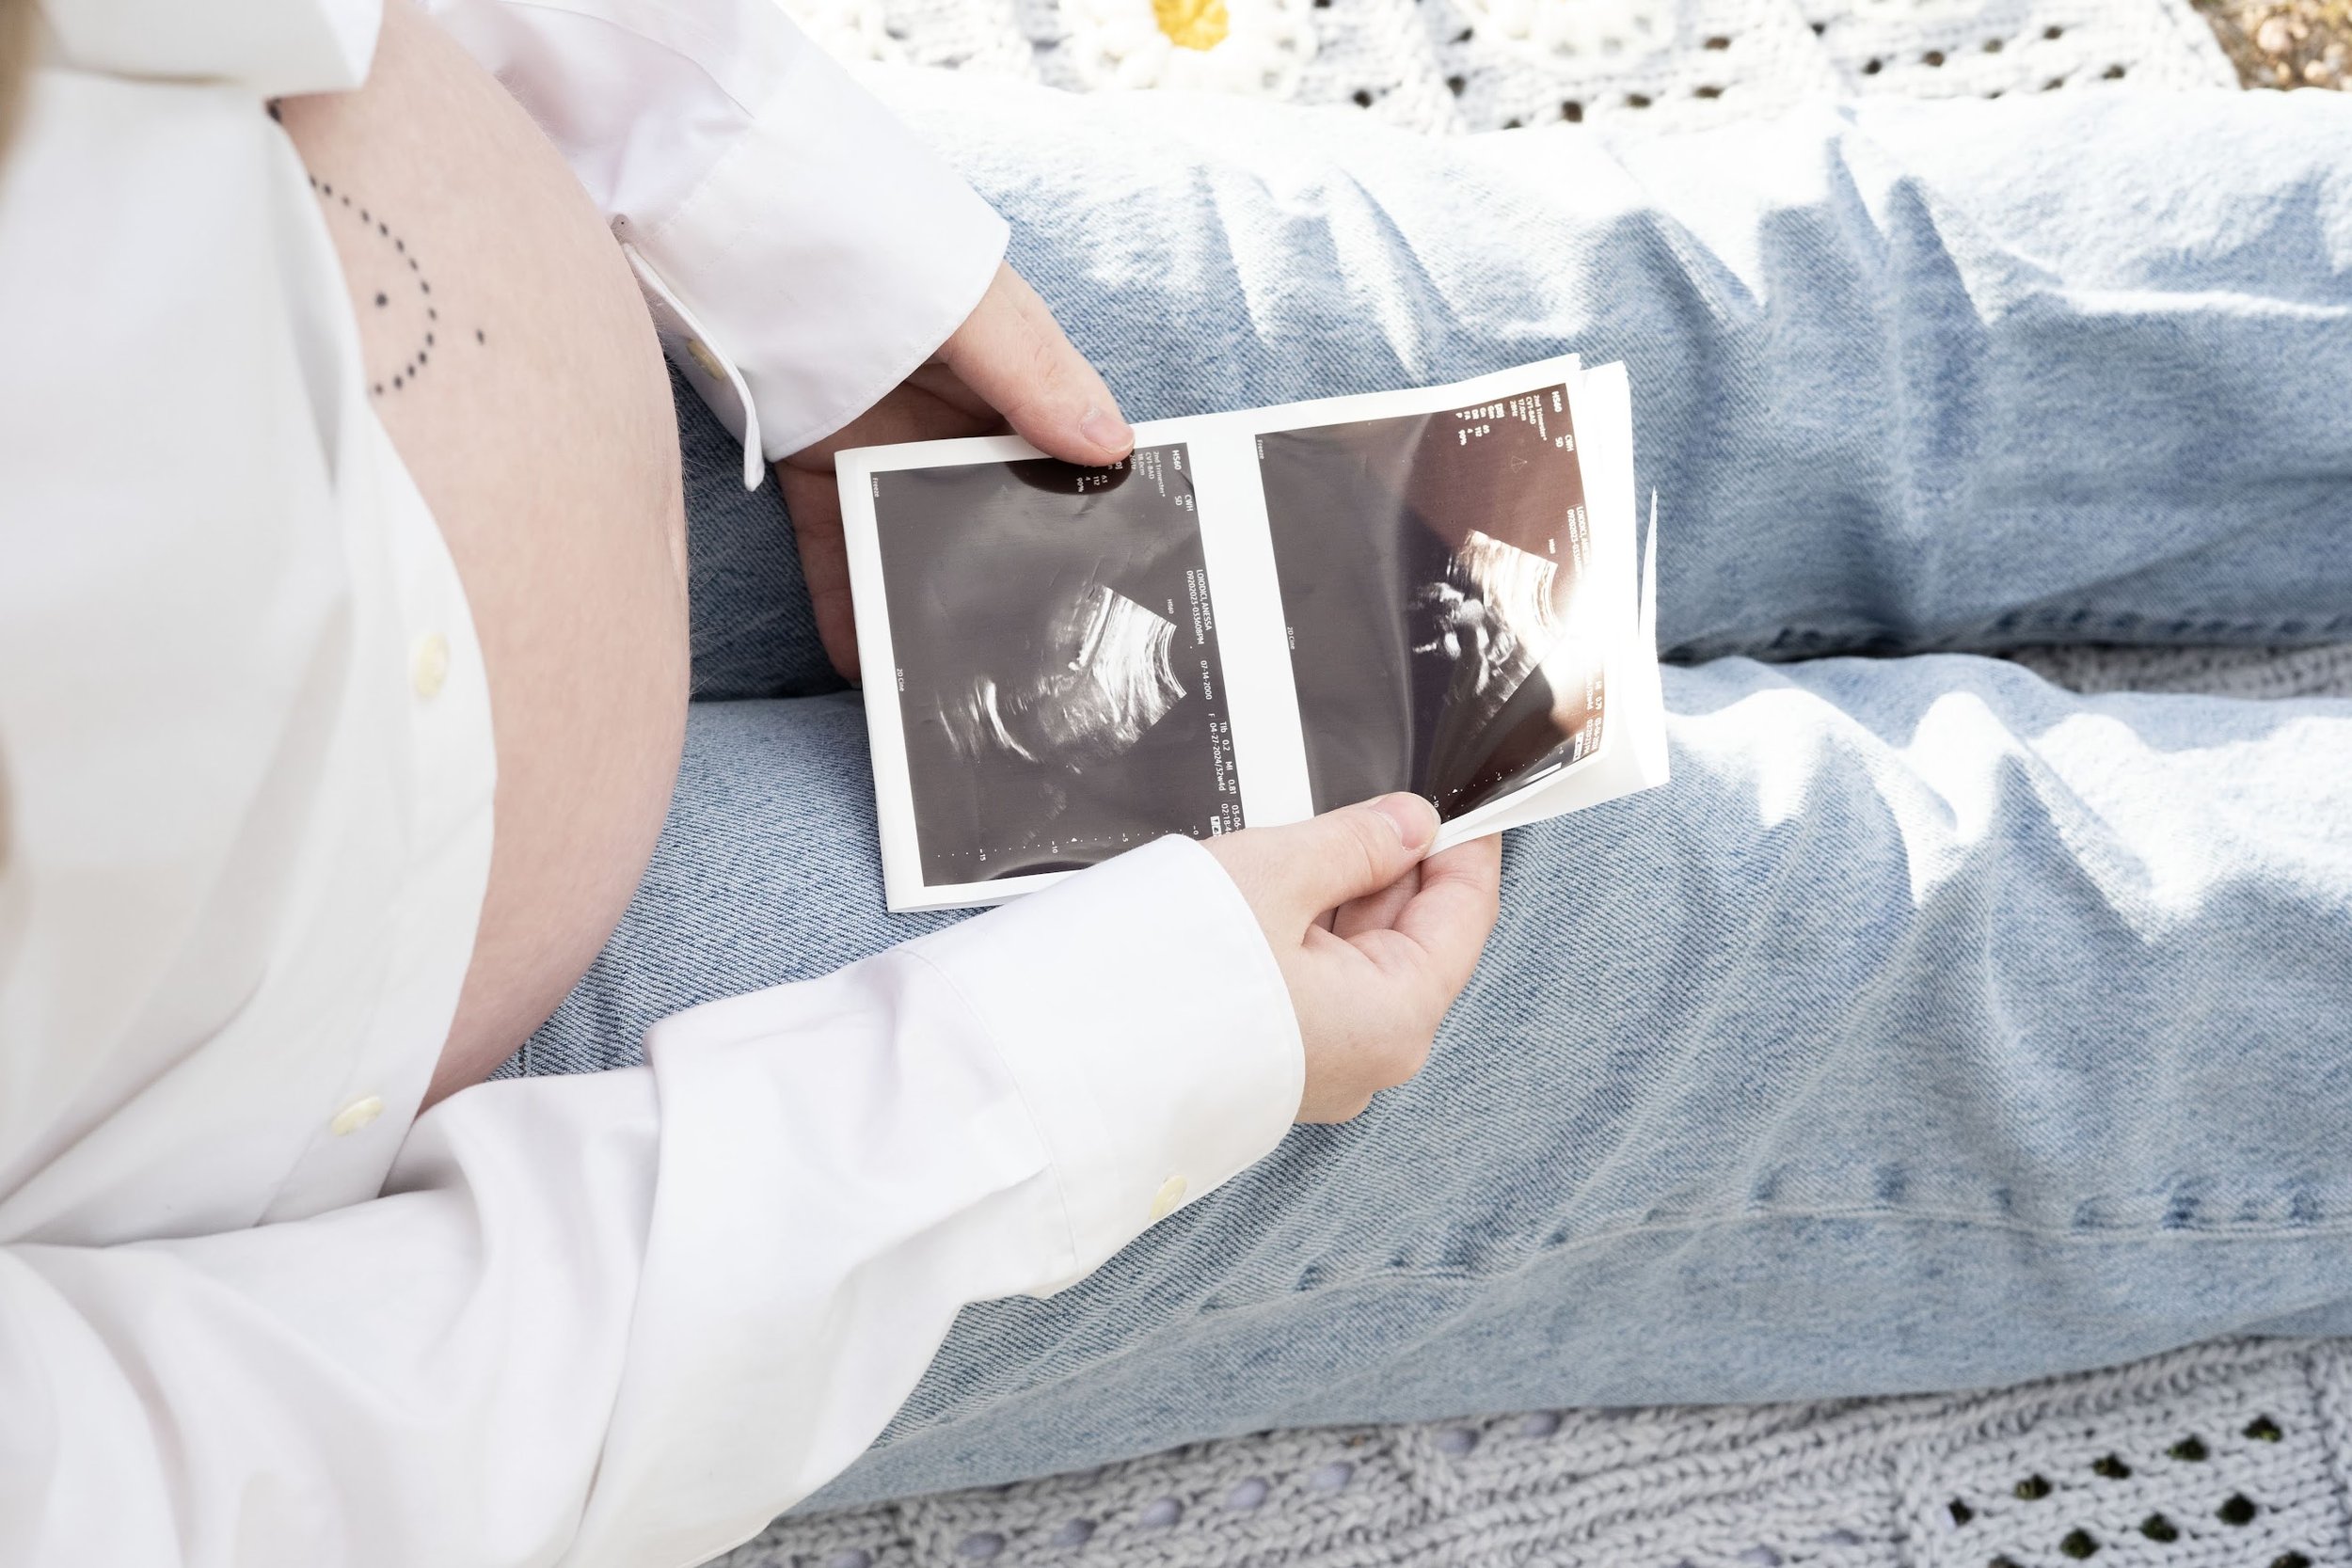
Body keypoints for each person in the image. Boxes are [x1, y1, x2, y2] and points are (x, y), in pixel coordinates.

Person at [1, 0, 2347, 1563]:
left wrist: (770, 197)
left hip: (566, 259)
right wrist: (1063, 1084)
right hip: (440, 1143)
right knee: (1801, 928)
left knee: (1697, 329)